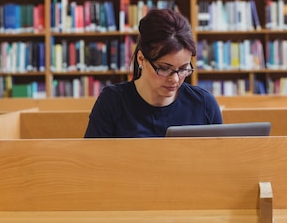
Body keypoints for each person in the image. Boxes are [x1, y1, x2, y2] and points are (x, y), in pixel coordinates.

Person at [85, 8, 222, 137]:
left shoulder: (204, 104)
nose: (175, 79)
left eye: (183, 69)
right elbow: (91, 158)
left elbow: (220, 159)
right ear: (141, 59)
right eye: (164, 68)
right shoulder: (112, 102)